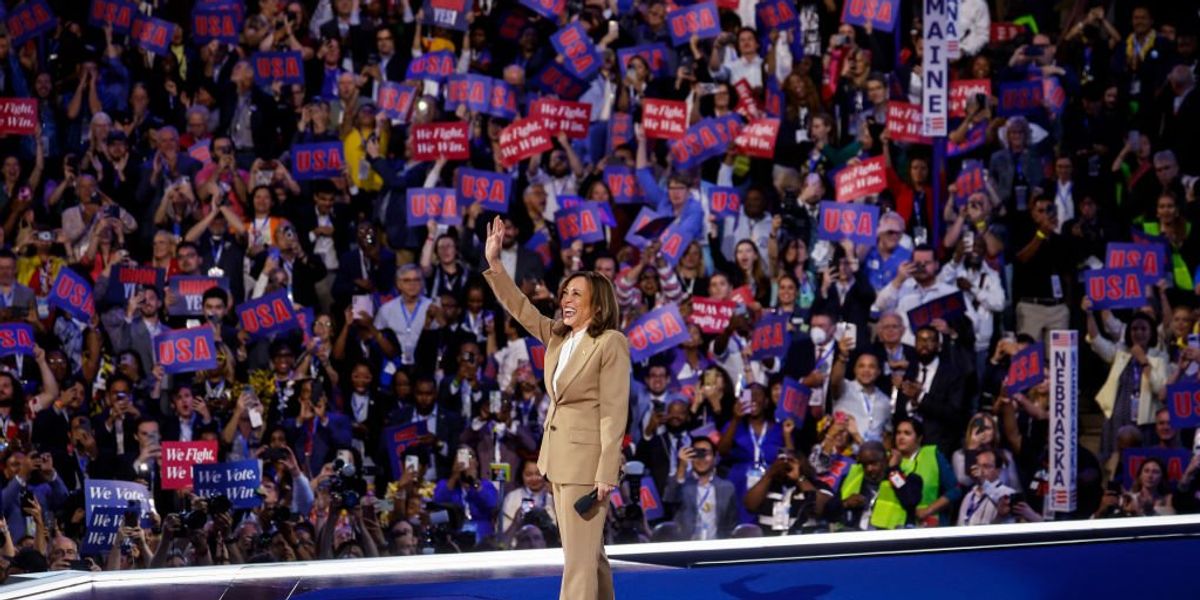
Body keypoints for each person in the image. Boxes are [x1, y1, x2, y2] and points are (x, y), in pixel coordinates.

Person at [481, 215, 630, 600]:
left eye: (576, 294)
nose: (566, 299)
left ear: (597, 304)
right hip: (559, 459)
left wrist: (606, 470)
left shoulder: (610, 342)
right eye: (565, 293)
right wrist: (495, 265)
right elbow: (522, 308)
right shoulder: (560, 338)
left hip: (587, 466)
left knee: (578, 564)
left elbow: (614, 410)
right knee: (589, 556)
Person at [663, 437, 738, 540]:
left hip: (716, 548)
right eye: (697, 454)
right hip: (687, 548)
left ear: (715, 457)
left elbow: (731, 525)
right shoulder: (682, 484)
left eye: (705, 453)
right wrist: (682, 467)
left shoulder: (727, 488)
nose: (701, 459)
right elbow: (669, 500)